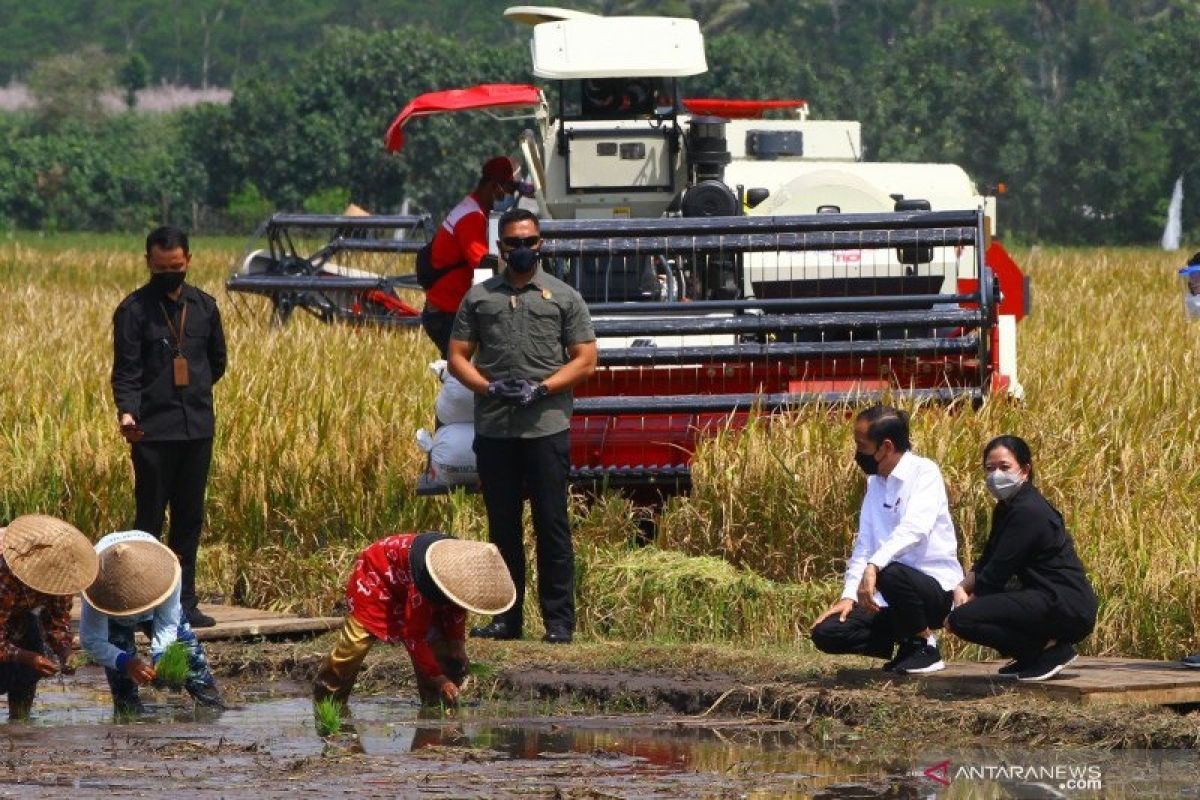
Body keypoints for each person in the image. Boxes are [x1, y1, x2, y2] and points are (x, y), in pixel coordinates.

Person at [448, 208, 597, 644]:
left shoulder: (564, 296)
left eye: (529, 241)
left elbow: (586, 359)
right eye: (513, 243)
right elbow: (458, 355)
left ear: (541, 244)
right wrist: (488, 388)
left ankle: (558, 623)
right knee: (503, 529)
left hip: (546, 426)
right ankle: (505, 620)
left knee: (552, 524)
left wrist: (542, 389)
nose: (522, 250)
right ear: (500, 248)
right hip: (496, 430)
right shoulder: (480, 298)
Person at [112, 225, 227, 628]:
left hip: (196, 427)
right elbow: (125, 372)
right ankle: (143, 606)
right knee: (149, 519)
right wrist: (128, 411)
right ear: (148, 263)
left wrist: (191, 392)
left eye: (176, 266)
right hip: (152, 432)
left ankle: (185, 602)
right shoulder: (132, 311)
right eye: (161, 268)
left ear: (188, 261)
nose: (170, 273)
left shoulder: (206, 307)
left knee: (189, 518)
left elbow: (216, 364)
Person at [811, 405, 963, 674]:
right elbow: (865, 544)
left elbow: (916, 529)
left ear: (886, 446)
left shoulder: (924, 473)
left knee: (889, 573)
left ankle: (925, 644)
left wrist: (875, 566)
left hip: (932, 590)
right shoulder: (875, 483)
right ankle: (906, 644)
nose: (858, 453)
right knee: (827, 632)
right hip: (887, 595)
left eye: (862, 445)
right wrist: (848, 596)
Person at [946, 436, 1098, 682]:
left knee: (963, 620)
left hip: (1064, 604)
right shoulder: (1007, 507)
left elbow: (999, 570)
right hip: (1040, 598)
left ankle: (1049, 651)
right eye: (990, 468)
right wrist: (962, 588)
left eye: (1004, 467)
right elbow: (988, 559)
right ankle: (1032, 655)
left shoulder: (1028, 511)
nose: (996, 475)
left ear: (1025, 470)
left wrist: (966, 609)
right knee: (965, 614)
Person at [312, 533, 516, 709]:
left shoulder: (462, 576)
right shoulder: (429, 578)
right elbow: (414, 637)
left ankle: (437, 709)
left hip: (415, 583)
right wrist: (439, 678)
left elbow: (456, 611)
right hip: (379, 575)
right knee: (353, 647)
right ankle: (328, 700)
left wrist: (457, 646)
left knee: (441, 652)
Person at [80, 530, 224, 716]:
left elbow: (168, 623)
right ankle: (128, 718)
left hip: (156, 607)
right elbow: (92, 640)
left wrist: (161, 655)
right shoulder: (95, 585)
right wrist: (126, 662)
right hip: (113, 616)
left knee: (190, 658)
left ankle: (212, 709)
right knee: (123, 681)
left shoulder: (166, 572)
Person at [421, 156, 532, 357]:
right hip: (447, 312)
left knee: (466, 375)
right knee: (465, 376)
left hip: (447, 309)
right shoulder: (471, 218)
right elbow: (484, 266)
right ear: (494, 187)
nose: (506, 197)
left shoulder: (471, 209)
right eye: (506, 191)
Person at [0, 515, 98, 720]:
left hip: (18, 616)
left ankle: (19, 724)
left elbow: (58, 619)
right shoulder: (6, 572)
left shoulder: (61, 575)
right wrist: (29, 657)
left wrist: (65, 652)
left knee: (30, 658)